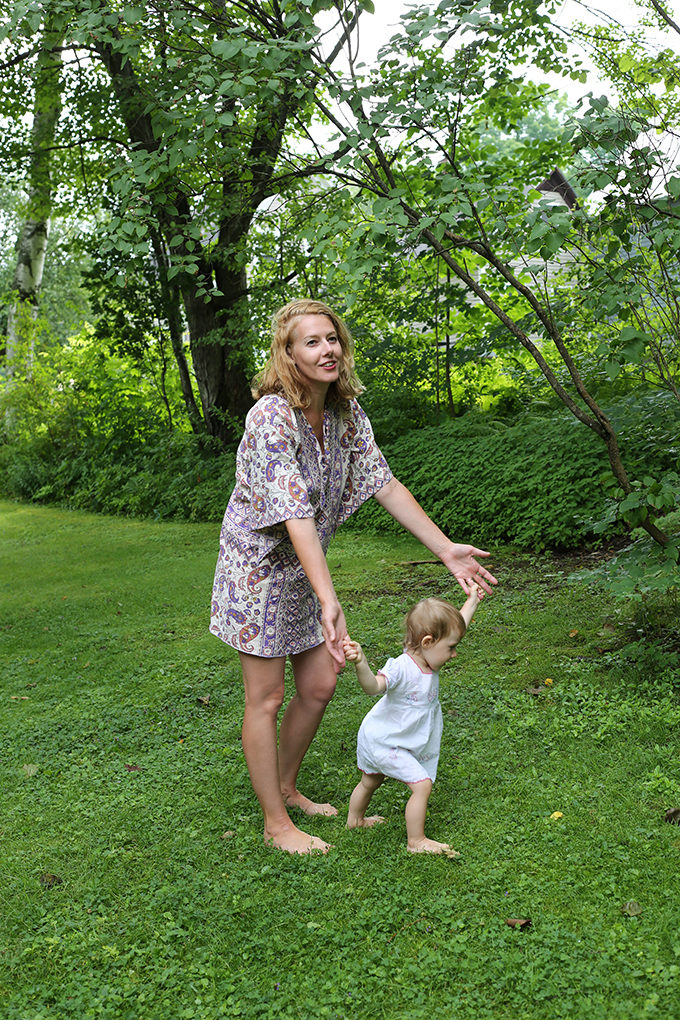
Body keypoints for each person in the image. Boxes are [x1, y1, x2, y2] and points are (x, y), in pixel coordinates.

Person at [210, 298, 497, 855]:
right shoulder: (269, 417)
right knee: (265, 697)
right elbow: (294, 513)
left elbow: (383, 484)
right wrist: (328, 597)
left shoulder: (346, 414)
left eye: (332, 338)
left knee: (318, 684)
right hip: (257, 574)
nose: (327, 350)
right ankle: (276, 825)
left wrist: (446, 551)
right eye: (311, 342)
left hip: (305, 566)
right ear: (288, 354)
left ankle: (288, 788)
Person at [343, 587, 481, 855]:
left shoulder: (429, 655)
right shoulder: (403, 667)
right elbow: (373, 687)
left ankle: (355, 821)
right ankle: (416, 841)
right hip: (384, 741)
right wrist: (362, 664)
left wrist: (472, 600)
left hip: (387, 738)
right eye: (451, 648)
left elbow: (457, 624)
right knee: (422, 784)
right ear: (428, 642)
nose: (454, 654)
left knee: (370, 782)